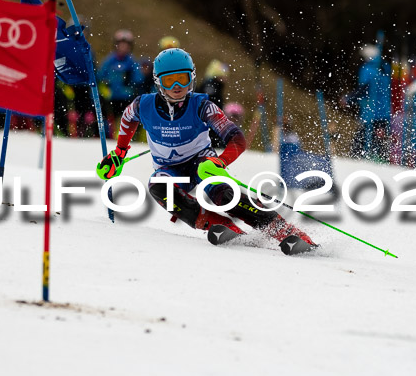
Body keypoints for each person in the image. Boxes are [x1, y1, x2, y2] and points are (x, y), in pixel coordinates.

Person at [95, 48, 316, 254]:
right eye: (169, 81)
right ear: (158, 82)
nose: (176, 87)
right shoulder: (142, 104)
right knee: (158, 186)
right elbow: (127, 120)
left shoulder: (202, 105)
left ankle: (283, 230)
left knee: (221, 193)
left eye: (182, 79)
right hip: (170, 169)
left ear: (191, 78)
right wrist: (119, 154)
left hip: (203, 161)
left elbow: (237, 139)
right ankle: (217, 223)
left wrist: (220, 162)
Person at [97, 29, 144, 137]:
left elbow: (138, 79)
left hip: (126, 98)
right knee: (107, 120)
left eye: (126, 45)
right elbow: (100, 76)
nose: (123, 48)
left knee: (125, 120)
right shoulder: (109, 60)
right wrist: (105, 86)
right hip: (110, 98)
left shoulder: (132, 61)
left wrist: (130, 85)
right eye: (121, 45)